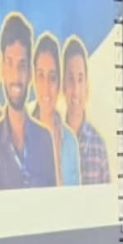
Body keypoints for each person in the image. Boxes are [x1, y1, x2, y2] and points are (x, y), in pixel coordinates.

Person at [0, 13, 57, 190]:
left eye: (22, 65)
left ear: (30, 72)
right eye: (10, 64)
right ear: (1, 68)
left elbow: (54, 208)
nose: (15, 76)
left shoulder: (45, 139)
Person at [33, 32, 81, 185]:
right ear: (33, 79)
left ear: (59, 82)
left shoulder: (70, 143)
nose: (46, 87)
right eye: (41, 76)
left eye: (52, 77)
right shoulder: (21, 137)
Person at [62, 36, 111, 184]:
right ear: (63, 86)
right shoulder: (52, 141)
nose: (76, 89)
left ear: (87, 87)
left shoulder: (99, 147)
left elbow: (106, 202)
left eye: (80, 79)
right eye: (70, 79)